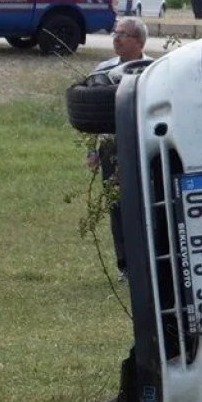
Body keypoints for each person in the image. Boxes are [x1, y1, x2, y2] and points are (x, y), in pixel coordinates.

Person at [89, 17, 150, 278]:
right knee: (117, 206)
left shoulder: (151, 69)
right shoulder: (102, 71)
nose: (116, 38)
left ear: (138, 41)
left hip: (143, 145)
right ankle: (125, 265)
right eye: (115, 33)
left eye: (123, 34)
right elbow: (91, 113)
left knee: (144, 202)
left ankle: (149, 261)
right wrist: (92, 150)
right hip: (111, 146)